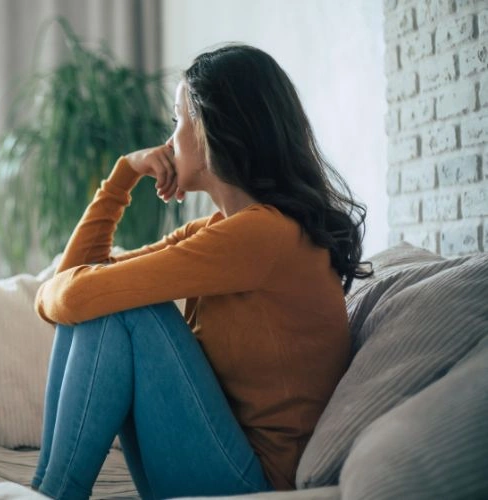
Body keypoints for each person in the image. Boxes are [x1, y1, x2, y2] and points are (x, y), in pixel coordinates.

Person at [30, 43, 372, 500]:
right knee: (111, 299)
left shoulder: (261, 236)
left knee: (131, 310)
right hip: (213, 458)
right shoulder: (224, 230)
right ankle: (47, 491)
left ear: (210, 128)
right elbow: (78, 282)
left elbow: (70, 295)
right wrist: (122, 176)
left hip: (254, 483)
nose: (168, 141)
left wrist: (57, 292)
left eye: (177, 120)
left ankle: (53, 493)